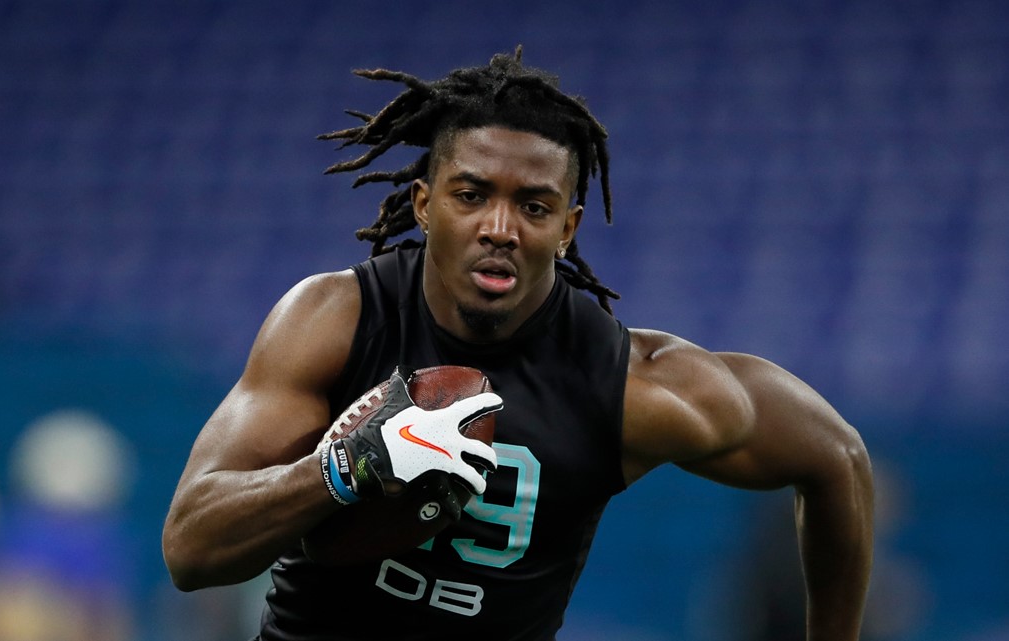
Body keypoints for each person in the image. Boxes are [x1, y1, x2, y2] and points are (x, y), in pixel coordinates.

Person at [162, 48, 874, 641]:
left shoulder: (630, 384)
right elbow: (190, 547)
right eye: (470, 195)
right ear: (423, 203)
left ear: (567, 228)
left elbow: (836, 459)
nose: (500, 226)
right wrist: (345, 468)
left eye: (533, 206)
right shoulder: (336, 318)